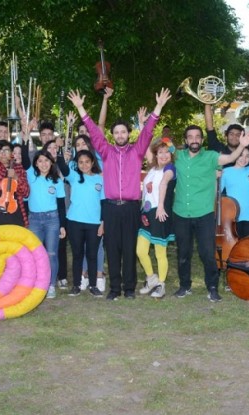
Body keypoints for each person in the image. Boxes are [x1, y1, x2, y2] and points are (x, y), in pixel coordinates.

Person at [67, 88, 172, 301]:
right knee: (112, 248)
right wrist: (80, 107)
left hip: (132, 207)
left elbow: (148, 131)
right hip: (111, 207)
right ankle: (114, 288)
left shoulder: (137, 150)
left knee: (129, 247)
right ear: (113, 136)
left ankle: (129, 288)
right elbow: (94, 132)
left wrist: (158, 107)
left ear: (128, 134)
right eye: (116, 132)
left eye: (123, 132)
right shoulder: (105, 151)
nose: (120, 135)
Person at [173, 126, 249, 302]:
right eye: (190, 137)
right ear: (186, 140)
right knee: (183, 253)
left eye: (197, 137)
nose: (194, 140)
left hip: (204, 213)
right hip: (180, 212)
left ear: (201, 140)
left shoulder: (211, 157)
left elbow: (231, 157)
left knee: (207, 253)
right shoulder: (177, 156)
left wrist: (241, 146)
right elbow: (153, 152)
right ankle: (184, 286)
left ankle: (212, 287)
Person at [137, 138, 177, 298]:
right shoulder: (153, 168)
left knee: (160, 253)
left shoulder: (170, 169)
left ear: (171, 155)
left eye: (167, 152)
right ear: (156, 155)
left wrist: (160, 206)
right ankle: (151, 279)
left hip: (160, 213)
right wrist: (142, 125)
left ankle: (161, 284)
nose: (164, 155)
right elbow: (146, 146)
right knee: (140, 251)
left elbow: (164, 184)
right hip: (146, 215)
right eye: (160, 152)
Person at [27, 148, 67, 299]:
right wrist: (26, 135)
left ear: (51, 162)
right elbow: (25, 157)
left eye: (46, 160)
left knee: (51, 253)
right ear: (36, 164)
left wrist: (62, 225)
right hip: (34, 220)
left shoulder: (57, 180)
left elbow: (61, 204)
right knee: (35, 254)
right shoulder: (30, 175)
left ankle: (51, 285)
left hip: (52, 220)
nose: (43, 164)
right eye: (40, 161)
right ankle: (37, 284)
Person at [0, 108, 30, 227]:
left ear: (12, 153)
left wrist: (16, 177)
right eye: (0, 151)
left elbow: (26, 192)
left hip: (16, 214)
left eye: (6, 150)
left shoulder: (19, 169)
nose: (3, 153)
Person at [65, 150, 105, 297]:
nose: (84, 165)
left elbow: (104, 203)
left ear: (92, 162)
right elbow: (64, 169)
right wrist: (65, 158)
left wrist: (103, 223)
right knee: (77, 254)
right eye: (81, 162)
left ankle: (93, 285)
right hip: (75, 221)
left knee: (92, 255)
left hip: (94, 223)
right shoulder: (74, 176)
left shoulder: (100, 179)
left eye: (87, 161)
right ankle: (76, 284)